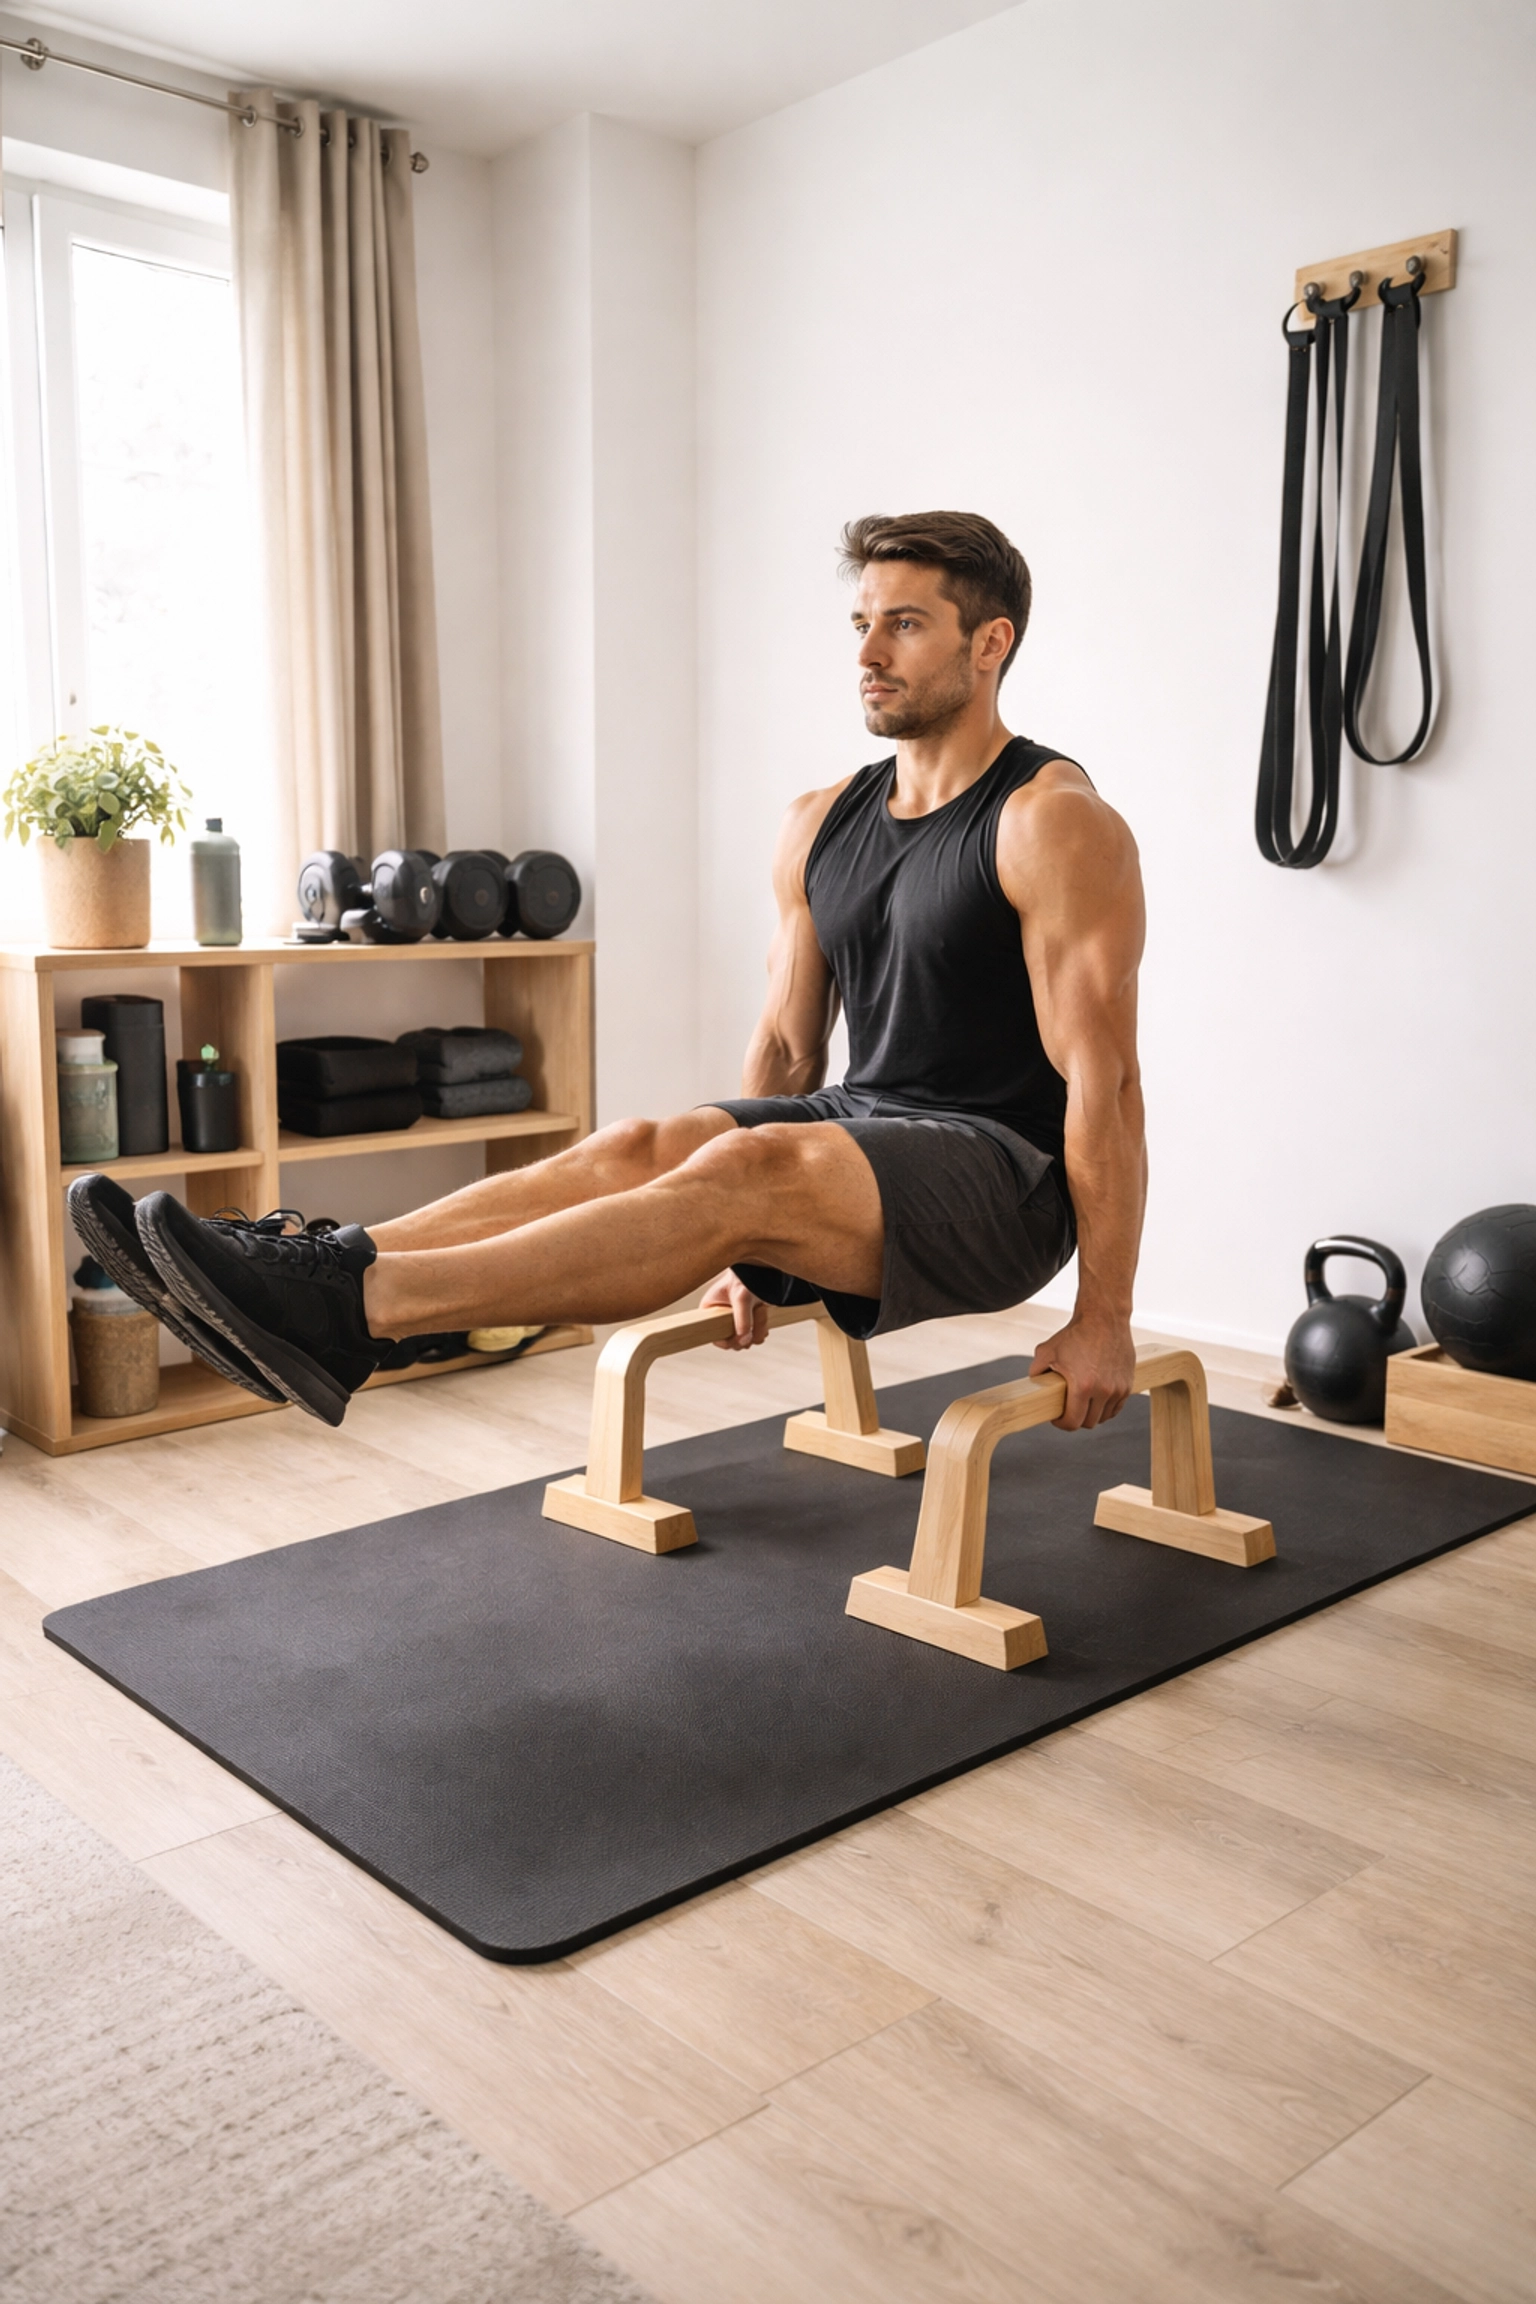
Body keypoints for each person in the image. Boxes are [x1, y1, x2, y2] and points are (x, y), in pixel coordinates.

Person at [71, 511, 1147, 1436]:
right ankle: (315, 1263)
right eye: (861, 622)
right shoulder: (822, 821)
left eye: (905, 624)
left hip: (1005, 1177)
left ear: (991, 642)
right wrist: (752, 1243)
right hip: (860, 1132)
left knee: (745, 1169)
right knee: (646, 1144)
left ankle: (363, 1309)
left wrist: (1104, 1314)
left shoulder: (1049, 823)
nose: (870, 649)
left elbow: (1105, 1086)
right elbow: (783, 1048)